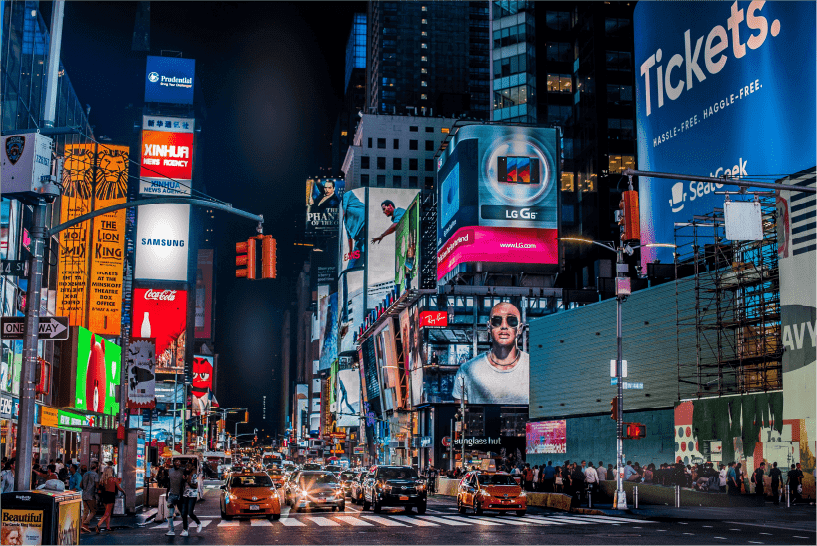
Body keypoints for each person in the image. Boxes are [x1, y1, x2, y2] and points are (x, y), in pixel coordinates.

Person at [451, 303, 529, 404]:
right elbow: (460, 416)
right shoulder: (467, 370)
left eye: (511, 321)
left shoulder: (535, 368)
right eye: (497, 321)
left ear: (519, 328)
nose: (504, 326)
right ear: (488, 327)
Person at [95, 466, 124, 533]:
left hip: (104, 496)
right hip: (111, 495)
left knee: (108, 512)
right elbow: (119, 487)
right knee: (107, 513)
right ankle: (98, 525)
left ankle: (108, 527)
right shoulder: (114, 479)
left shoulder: (103, 480)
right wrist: (124, 491)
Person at [179, 462, 202, 536]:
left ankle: (198, 523)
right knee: (183, 513)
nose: (187, 467)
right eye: (187, 466)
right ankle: (185, 530)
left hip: (192, 495)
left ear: (192, 467)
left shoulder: (194, 475)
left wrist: (188, 482)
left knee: (190, 512)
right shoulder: (185, 474)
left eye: (189, 466)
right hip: (185, 495)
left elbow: (195, 486)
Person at [165, 458, 186, 536]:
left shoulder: (182, 471)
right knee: (170, 514)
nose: (177, 463)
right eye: (176, 462)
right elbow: (169, 483)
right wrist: (167, 493)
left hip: (180, 495)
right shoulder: (170, 471)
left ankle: (185, 529)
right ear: (173, 463)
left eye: (179, 462)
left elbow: (185, 482)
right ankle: (171, 530)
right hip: (171, 494)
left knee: (183, 514)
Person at [80, 462, 99, 533]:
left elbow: (80, 485)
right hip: (91, 495)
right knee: (94, 510)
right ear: (96, 468)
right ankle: (86, 523)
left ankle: (83, 528)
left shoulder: (85, 474)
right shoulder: (95, 475)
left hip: (84, 494)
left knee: (85, 511)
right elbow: (96, 486)